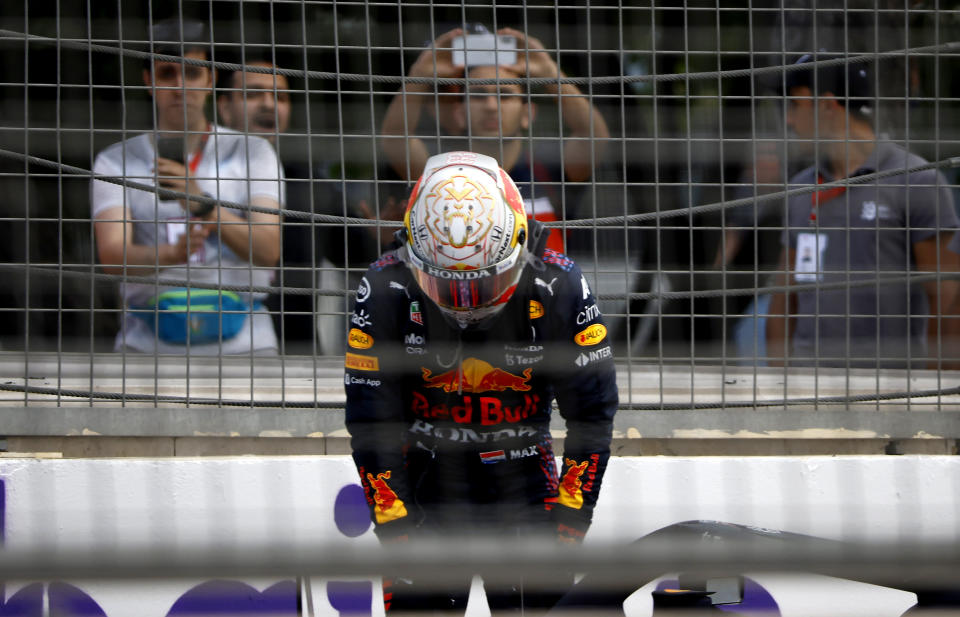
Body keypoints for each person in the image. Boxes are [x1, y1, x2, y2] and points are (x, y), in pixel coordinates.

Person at [344, 151, 618, 614]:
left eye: (482, 283)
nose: (467, 301)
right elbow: (372, 423)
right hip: (424, 488)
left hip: (528, 490)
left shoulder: (560, 284)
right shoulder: (385, 286)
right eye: (447, 284)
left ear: (518, 242)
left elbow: (592, 416)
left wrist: (571, 523)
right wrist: (396, 526)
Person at [92, 18, 283, 355]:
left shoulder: (253, 151)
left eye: (192, 72)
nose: (180, 86)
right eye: (167, 74)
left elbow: (268, 250)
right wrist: (172, 254)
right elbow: (112, 256)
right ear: (149, 82)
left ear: (210, 79)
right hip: (147, 346)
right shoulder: (115, 161)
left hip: (244, 347)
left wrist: (202, 204)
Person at [766, 53, 959, 369]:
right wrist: (778, 387)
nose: (788, 120)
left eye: (794, 106)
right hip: (807, 391)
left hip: (889, 392)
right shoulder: (801, 187)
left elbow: (948, 299)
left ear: (828, 106)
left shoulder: (916, 179)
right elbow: (783, 297)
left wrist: (936, 393)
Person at [380, 26, 610, 253]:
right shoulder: (442, 174)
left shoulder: (550, 170)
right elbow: (395, 141)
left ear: (527, 114)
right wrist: (420, 75)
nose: (491, 106)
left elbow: (594, 137)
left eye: (504, 95)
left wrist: (550, 73)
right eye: (479, 95)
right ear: (460, 113)